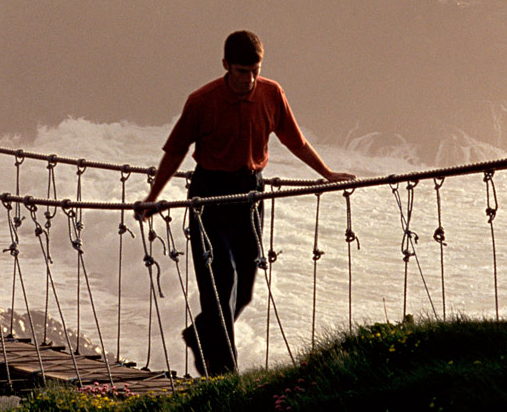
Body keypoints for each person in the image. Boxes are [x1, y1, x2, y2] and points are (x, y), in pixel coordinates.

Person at [132, 29, 354, 375]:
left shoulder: (271, 93)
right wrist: (152, 197)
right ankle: (224, 376)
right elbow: (176, 150)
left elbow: (295, 141)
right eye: (242, 71)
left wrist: (327, 174)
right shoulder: (201, 101)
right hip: (210, 195)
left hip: (251, 194)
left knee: (246, 288)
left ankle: (200, 334)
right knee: (221, 281)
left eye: (255, 70)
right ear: (225, 66)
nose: (250, 79)